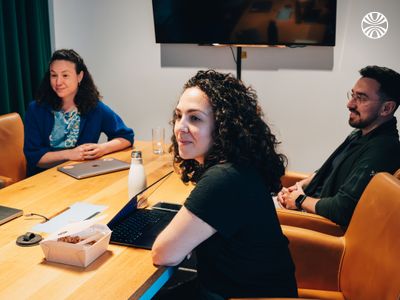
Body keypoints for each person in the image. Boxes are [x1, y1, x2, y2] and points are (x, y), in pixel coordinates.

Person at [152, 70, 298, 299]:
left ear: (223, 126)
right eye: (178, 115)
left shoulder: (224, 178)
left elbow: (163, 254)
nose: (180, 127)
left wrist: (182, 241)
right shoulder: (238, 166)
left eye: (195, 118)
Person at [278, 65, 400, 227]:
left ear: (387, 108)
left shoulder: (383, 149)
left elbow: (342, 209)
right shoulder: (359, 134)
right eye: (353, 95)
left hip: (318, 225)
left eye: (361, 98)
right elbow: (328, 171)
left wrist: (300, 200)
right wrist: (298, 187)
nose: (350, 104)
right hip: (304, 209)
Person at [24, 49, 134, 176]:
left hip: (81, 176)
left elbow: (126, 137)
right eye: (54, 75)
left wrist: (102, 148)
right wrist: (70, 154)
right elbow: (34, 158)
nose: (58, 82)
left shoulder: (95, 108)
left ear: (79, 76)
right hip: (43, 179)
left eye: (65, 75)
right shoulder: (36, 110)